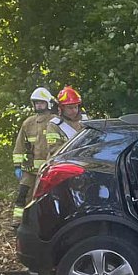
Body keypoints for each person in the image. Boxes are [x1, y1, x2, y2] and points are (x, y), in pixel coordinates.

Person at [11, 87, 55, 226]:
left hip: (48, 170)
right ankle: (18, 223)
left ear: (48, 103)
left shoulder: (55, 122)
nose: (38, 106)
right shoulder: (28, 123)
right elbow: (19, 146)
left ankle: (41, 225)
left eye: (41, 103)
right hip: (29, 171)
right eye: (36, 103)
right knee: (22, 196)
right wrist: (17, 166)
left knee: (44, 199)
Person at [46, 85, 88, 154]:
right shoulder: (54, 125)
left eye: (76, 107)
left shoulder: (85, 121)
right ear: (61, 108)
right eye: (70, 108)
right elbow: (54, 150)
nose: (74, 110)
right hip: (64, 162)